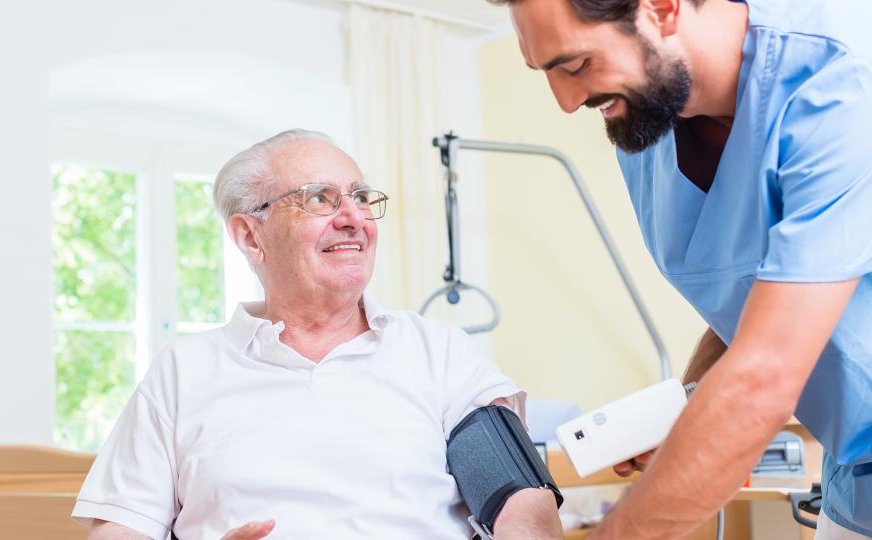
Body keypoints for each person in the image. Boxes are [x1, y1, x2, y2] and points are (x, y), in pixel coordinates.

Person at [488, 0, 872, 538]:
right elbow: (761, 292)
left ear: (662, 8)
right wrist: (690, 403)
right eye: (545, 71)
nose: (566, 100)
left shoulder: (841, 83)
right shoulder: (643, 119)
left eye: (577, 64)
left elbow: (766, 374)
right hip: (858, 474)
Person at [71, 129, 564, 539]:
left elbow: (518, 496)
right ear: (250, 236)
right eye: (319, 199)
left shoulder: (440, 352)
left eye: (361, 197)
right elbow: (119, 528)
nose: (353, 218)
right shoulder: (183, 372)